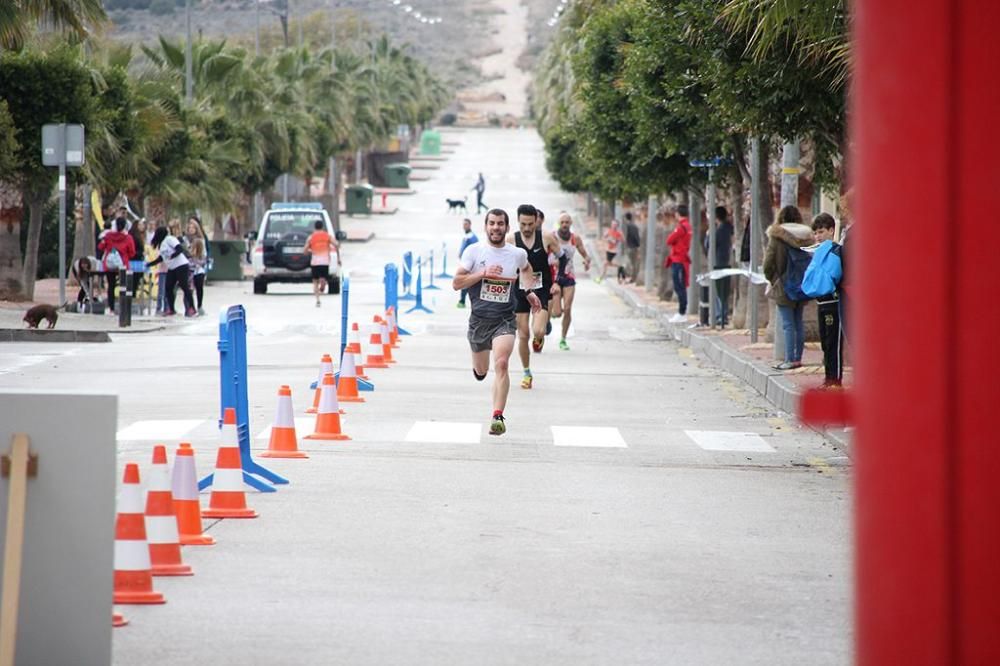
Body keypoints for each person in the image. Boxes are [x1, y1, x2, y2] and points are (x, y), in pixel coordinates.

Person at [452, 208, 540, 436]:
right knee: (482, 371)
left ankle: (497, 416)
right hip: (479, 321)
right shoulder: (474, 251)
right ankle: (479, 371)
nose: (496, 228)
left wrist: (528, 291)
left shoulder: (516, 253)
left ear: (507, 228)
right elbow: (457, 283)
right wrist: (483, 273)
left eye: (500, 224)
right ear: (486, 226)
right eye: (492, 223)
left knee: (501, 363)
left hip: (505, 320)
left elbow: (527, 268)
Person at [507, 203, 561, 389]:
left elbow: (562, 257)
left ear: (536, 221)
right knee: (523, 335)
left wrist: (557, 281)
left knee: (538, 331)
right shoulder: (511, 240)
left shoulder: (546, 237)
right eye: (523, 224)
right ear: (518, 221)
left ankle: (539, 338)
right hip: (520, 291)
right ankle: (527, 372)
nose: (527, 228)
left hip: (541, 289)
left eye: (531, 224)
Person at [763, 205, 814, 370]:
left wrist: (773, 279)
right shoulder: (808, 236)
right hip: (802, 284)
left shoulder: (777, 237)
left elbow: (768, 264)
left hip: (784, 285)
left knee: (787, 324)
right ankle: (798, 358)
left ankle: (789, 359)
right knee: (798, 321)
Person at [810, 213, 843, 387]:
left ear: (831, 231)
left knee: (833, 343)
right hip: (820, 303)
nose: (818, 236)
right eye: (815, 233)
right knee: (824, 343)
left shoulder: (837, 251)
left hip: (833, 303)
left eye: (821, 232)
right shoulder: (816, 253)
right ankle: (828, 379)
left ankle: (835, 381)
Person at [551, 211, 591, 351]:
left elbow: (584, 253)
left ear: (571, 224)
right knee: (557, 313)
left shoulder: (575, 239)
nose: (564, 225)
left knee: (567, 309)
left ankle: (563, 339)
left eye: (567, 222)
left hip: (569, 276)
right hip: (555, 277)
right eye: (562, 222)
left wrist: (587, 261)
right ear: (559, 223)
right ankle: (549, 317)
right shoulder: (552, 237)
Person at [147, 225, 197, 317]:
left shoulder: (170, 239)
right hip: (172, 268)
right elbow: (161, 258)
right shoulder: (161, 245)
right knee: (168, 288)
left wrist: (173, 256)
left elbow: (179, 249)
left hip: (181, 265)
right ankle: (171, 309)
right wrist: (150, 264)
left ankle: (192, 308)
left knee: (184, 287)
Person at [97, 216, 136, 315]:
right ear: (125, 226)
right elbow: (132, 253)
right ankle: (124, 309)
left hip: (109, 265)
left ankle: (111, 308)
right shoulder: (128, 238)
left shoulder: (108, 236)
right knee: (124, 287)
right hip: (123, 265)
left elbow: (101, 247)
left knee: (111, 286)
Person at [704, 206, 734, 326]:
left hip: (718, 263)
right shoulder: (729, 228)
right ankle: (721, 314)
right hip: (726, 261)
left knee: (719, 291)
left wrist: (707, 234)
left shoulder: (718, 230)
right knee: (723, 291)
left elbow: (708, 245)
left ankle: (721, 315)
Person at [304, 220, 340, 307]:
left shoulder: (311, 237)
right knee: (323, 277)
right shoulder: (327, 236)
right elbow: (337, 244)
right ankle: (323, 282)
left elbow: (304, 251)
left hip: (315, 262)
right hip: (325, 262)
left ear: (315, 227)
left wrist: (311, 250)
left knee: (315, 282)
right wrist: (337, 256)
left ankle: (318, 300)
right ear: (322, 227)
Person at [666, 205, 692, 322]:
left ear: (678, 214)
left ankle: (682, 312)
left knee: (679, 286)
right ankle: (682, 312)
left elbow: (669, 240)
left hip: (678, 259)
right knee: (681, 285)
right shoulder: (688, 226)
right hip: (683, 258)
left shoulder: (681, 227)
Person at [185, 216, 209, 316]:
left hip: (198, 268)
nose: (191, 230)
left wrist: (201, 263)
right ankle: (189, 307)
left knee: (199, 287)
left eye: (193, 228)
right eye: (189, 228)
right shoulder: (185, 240)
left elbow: (204, 254)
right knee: (188, 288)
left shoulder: (200, 240)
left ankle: (199, 306)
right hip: (188, 267)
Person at [457, 218, 479, 308]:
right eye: (463, 224)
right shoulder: (467, 235)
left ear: (470, 225)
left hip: (469, 265)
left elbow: (476, 249)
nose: (464, 226)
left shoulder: (472, 237)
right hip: (464, 263)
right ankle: (462, 301)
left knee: (466, 283)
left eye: (466, 224)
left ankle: (462, 301)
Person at [596, 219, 624, 284]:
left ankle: (600, 278)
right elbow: (604, 238)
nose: (613, 225)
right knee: (607, 264)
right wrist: (608, 239)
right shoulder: (609, 231)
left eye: (615, 224)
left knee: (606, 264)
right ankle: (620, 268)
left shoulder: (618, 232)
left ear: (617, 225)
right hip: (609, 250)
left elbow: (622, 240)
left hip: (614, 251)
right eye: (612, 224)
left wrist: (616, 240)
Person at [623, 212, 641, 283]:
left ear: (626, 218)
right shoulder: (630, 226)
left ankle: (633, 278)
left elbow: (635, 236)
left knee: (632, 263)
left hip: (632, 247)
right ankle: (632, 277)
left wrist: (638, 246)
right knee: (632, 263)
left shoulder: (630, 226)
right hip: (631, 246)